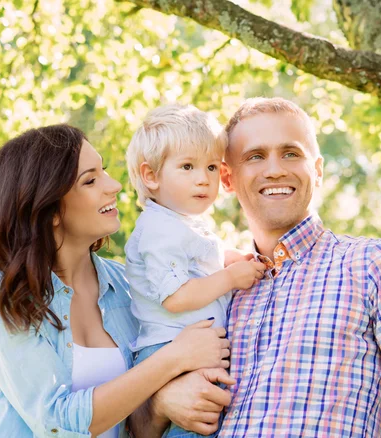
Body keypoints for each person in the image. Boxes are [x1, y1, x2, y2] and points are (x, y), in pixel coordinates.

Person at [0, 125, 234, 438]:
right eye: (90, 180)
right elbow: (54, 423)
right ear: (49, 209)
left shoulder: (126, 285)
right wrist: (172, 359)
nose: (114, 185)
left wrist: (158, 406)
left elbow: (136, 428)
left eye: (103, 170)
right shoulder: (2, 292)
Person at [217, 97, 381, 437]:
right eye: (255, 156)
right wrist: (163, 405)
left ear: (318, 171)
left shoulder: (373, 265)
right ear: (226, 177)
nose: (275, 169)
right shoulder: (215, 288)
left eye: (291, 153)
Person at [124, 104, 265, 437]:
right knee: (194, 424)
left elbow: (197, 264)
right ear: (151, 176)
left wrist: (228, 259)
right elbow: (176, 296)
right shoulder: (160, 231)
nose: (203, 178)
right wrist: (229, 278)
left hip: (190, 348)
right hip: (171, 351)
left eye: (212, 167)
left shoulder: (182, 223)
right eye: (187, 166)